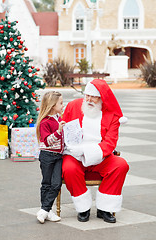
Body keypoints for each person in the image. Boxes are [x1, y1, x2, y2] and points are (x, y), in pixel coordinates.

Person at [62, 79, 129, 223]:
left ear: (101, 98)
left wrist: (87, 152)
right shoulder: (73, 106)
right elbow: (62, 128)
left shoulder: (111, 115)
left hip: (101, 157)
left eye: (93, 97)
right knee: (68, 168)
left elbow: (110, 143)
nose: (89, 100)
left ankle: (104, 208)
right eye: (87, 95)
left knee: (120, 165)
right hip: (75, 155)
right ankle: (83, 208)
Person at [36, 91, 66, 224]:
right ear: (52, 105)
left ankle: (44, 210)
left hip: (59, 156)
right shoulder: (44, 122)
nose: (63, 105)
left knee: (57, 183)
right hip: (47, 156)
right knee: (46, 184)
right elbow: (47, 141)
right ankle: (47, 211)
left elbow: (62, 139)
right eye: (60, 103)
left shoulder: (59, 118)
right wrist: (59, 131)